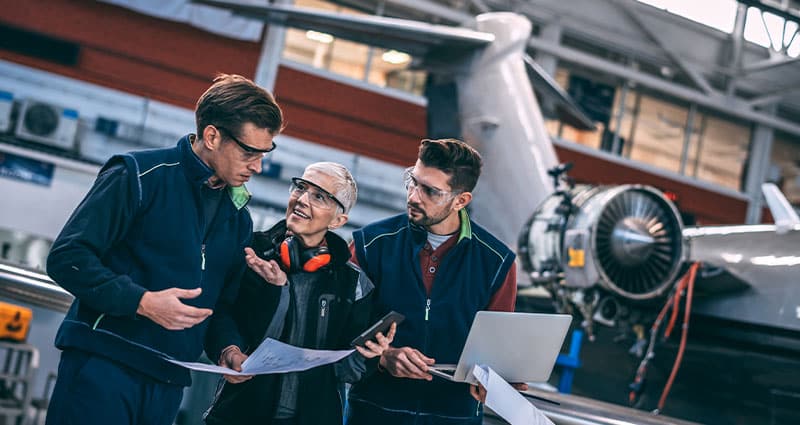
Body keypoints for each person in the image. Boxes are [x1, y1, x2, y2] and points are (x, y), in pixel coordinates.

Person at [44, 73, 283, 425]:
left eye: (265, 153)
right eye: (249, 152)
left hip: (168, 383)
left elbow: (221, 306)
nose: (258, 166)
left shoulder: (237, 219)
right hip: (104, 366)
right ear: (212, 136)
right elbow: (68, 257)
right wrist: (141, 302)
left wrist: (228, 349)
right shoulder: (139, 176)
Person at [346, 138, 523, 425]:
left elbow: (496, 354)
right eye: (413, 182)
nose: (414, 196)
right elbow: (339, 329)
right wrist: (382, 357)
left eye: (430, 191)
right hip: (373, 414)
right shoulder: (371, 245)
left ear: (461, 201)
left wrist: (502, 381)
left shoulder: (496, 263)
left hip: (454, 418)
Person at [203, 161, 393, 425]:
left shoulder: (354, 284)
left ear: (339, 220)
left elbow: (348, 371)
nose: (302, 199)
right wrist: (229, 349)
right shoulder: (251, 251)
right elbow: (221, 314)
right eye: (300, 188)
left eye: (319, 196)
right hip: (240, 414)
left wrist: (368, 354)